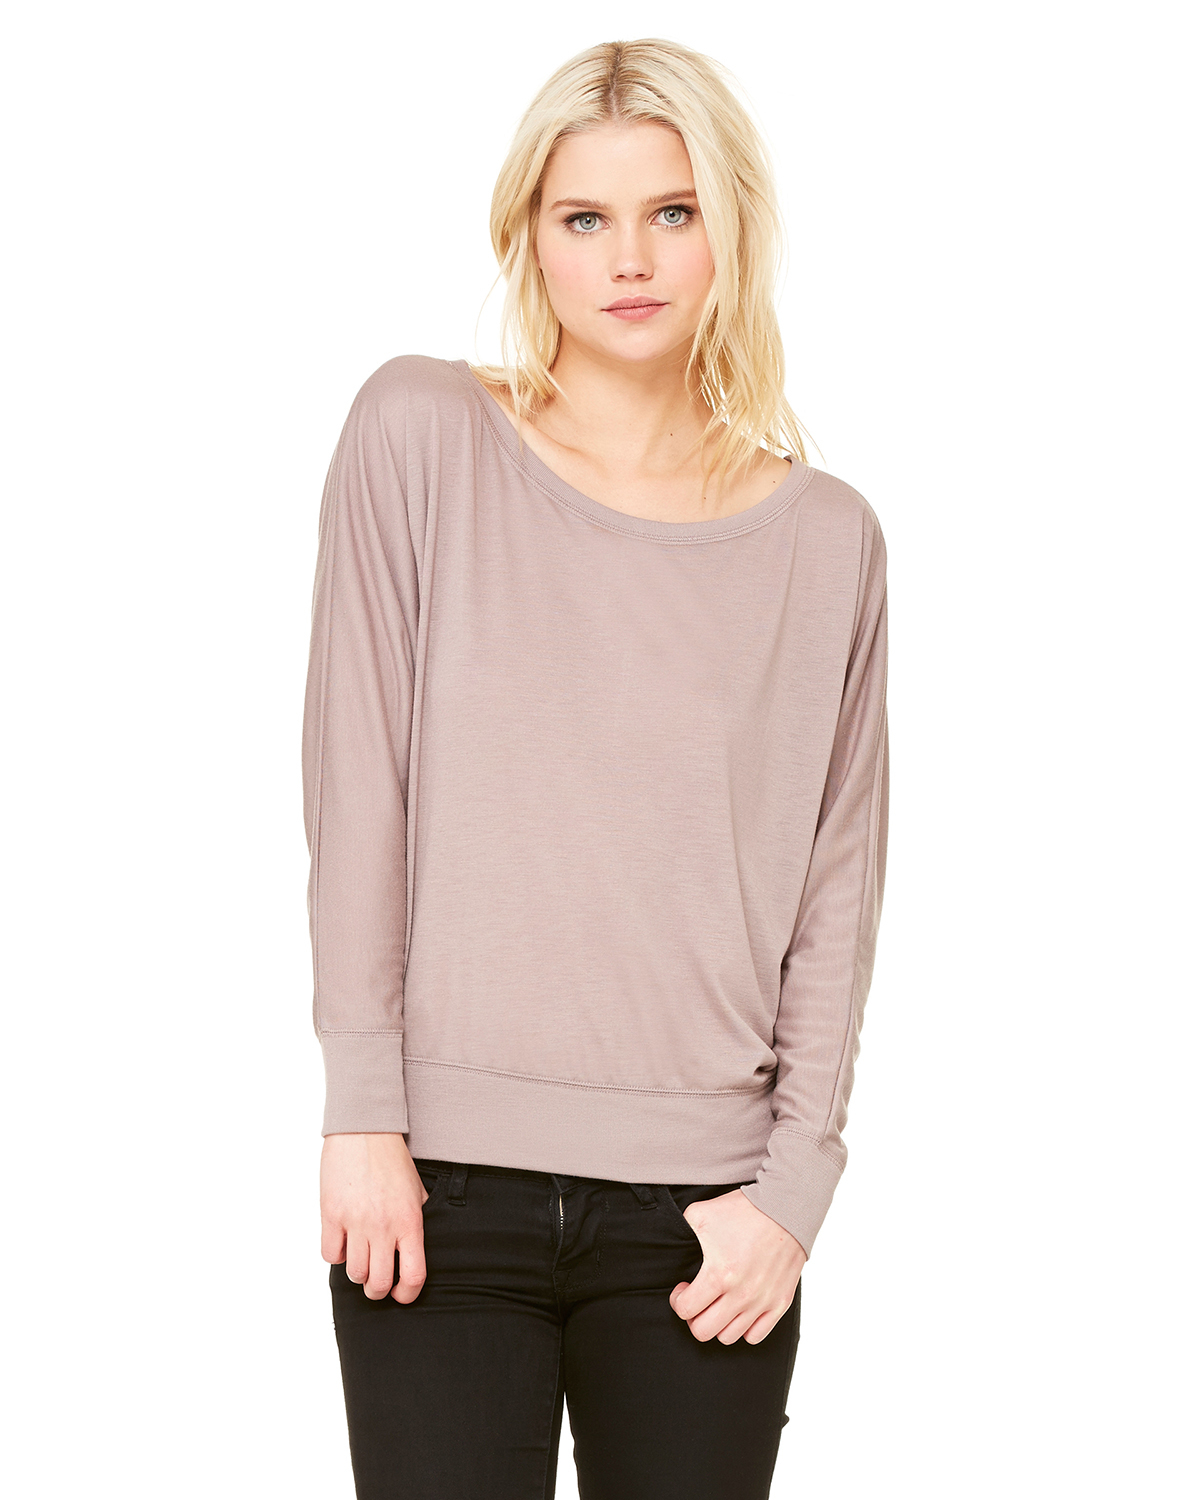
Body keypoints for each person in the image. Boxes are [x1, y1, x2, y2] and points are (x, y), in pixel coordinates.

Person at [302, 36, 890, 1500]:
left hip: (706, 1220)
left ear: (730, 229)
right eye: (586, 217)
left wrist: (793, 1191)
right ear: (530, 235)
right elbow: (358, 787)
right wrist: (362, 1113)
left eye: (672, 212)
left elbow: (838, 881)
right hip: (438, 1191)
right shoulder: (420, 433)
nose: (630, 258)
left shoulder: (826, 539)